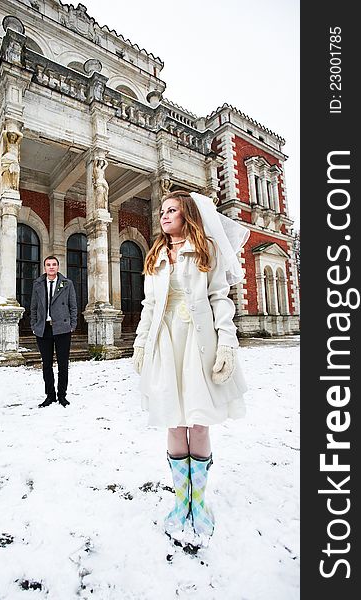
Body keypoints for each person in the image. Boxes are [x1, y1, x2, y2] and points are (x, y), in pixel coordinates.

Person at [132, 190, 249, 544]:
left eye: (172, 211)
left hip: (198, 343)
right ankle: (180, 501)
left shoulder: (205, 251)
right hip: (166, 344)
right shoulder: (156, 256)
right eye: (163, 210)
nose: (164, 216)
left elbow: (219, 299)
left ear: (187, 217)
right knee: (173, 420)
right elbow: (149, 305)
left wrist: (227, 341)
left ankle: (198, 502)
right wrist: (140, 343)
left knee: (197, 423)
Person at [30, 256, 78, 408]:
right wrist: (33, 325)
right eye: (48, 265)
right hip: (43, 329)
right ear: (44, 267)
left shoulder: (67, 283)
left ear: (58, 267)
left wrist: (72, 325)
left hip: (62, 328)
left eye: (54, 264)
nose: (51, 267)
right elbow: (33, 307)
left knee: (63, 364)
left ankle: (62, 396)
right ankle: (50, 396)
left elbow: (73, 306)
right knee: (47, 365)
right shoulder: (37, 284)